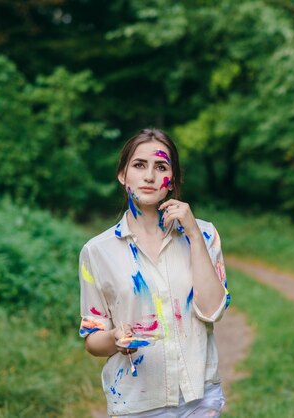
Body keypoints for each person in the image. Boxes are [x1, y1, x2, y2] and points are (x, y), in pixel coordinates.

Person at [78, 128, 230, 417]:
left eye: (161, 166)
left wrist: (194, 236)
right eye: (139, 165)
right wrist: (114, 338)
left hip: (200, 398)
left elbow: (213, 311)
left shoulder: (205, 234)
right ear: (123, 175)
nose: (149, 176)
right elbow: (93, 340)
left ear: (172, 181)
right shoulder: (97, 251)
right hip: (136, 403)